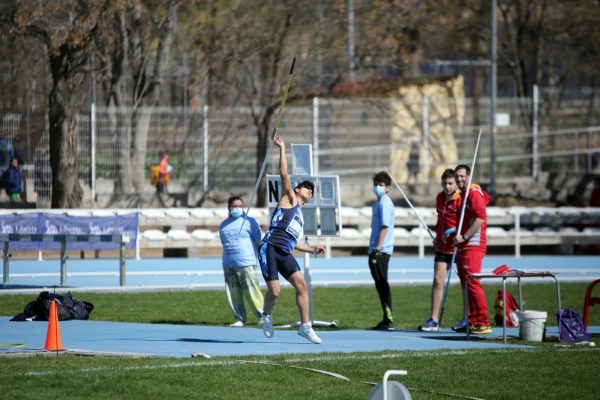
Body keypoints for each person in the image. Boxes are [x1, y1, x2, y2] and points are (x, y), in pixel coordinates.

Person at [258, 135, 325, 344]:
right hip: (269, 248)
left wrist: (312, 250)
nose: (310, 191)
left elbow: (294, 243)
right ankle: (266, 316)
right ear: (297, 189)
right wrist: (282, 148)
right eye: (307, 187)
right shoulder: (290, 198)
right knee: (275, 292)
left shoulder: (300, 218)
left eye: (312, 191)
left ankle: (305, 326)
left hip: (284, 251)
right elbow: (284, 173)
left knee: (301, 285)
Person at [418, 169, 461, 332]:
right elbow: (440, 219)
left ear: (456, 184)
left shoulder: (461, 200)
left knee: (466, 283)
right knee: (437, 280)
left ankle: (467, 318)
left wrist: (452, 231)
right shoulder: (440, 198)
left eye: (450, 183)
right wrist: (437, 235)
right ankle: (434, 319)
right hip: (442, 248)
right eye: (444, 183)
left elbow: (466, 222)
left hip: (458, 247)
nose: (447, 186)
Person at [452, 164, 492, 334]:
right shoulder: (462, 196)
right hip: (464, 246)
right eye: (457, 177)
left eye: (463, 176)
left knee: (473, 282)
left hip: (473, 244)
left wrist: (465, 237)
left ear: (469, 176)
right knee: (466, 283)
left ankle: (482, 321)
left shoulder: (474, 193)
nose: (460, 179)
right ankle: (472, 320)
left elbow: (480, 218)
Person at [219, 196, 265, 327]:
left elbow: (259, 240)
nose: (237, 208)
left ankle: (262, 316)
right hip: (228, 263)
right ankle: (239, 318)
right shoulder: (223, 225)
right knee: (233, 292)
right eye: (235, 206)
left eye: (240, 206)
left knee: (252, 290)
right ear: (229, 208)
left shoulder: (250, 222)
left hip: (246, 262)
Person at [368, 171, 395, 330]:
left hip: (381, 251)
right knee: (379, 284)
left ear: (387, 188)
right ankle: (386, 318)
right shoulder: (377, 203)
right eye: (376, 184)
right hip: (375, 249)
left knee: (382, 283)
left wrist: (377, 249)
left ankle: (388, 319)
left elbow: (385, 227)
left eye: (381, 185)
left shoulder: (385, 203)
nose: (377, 187)